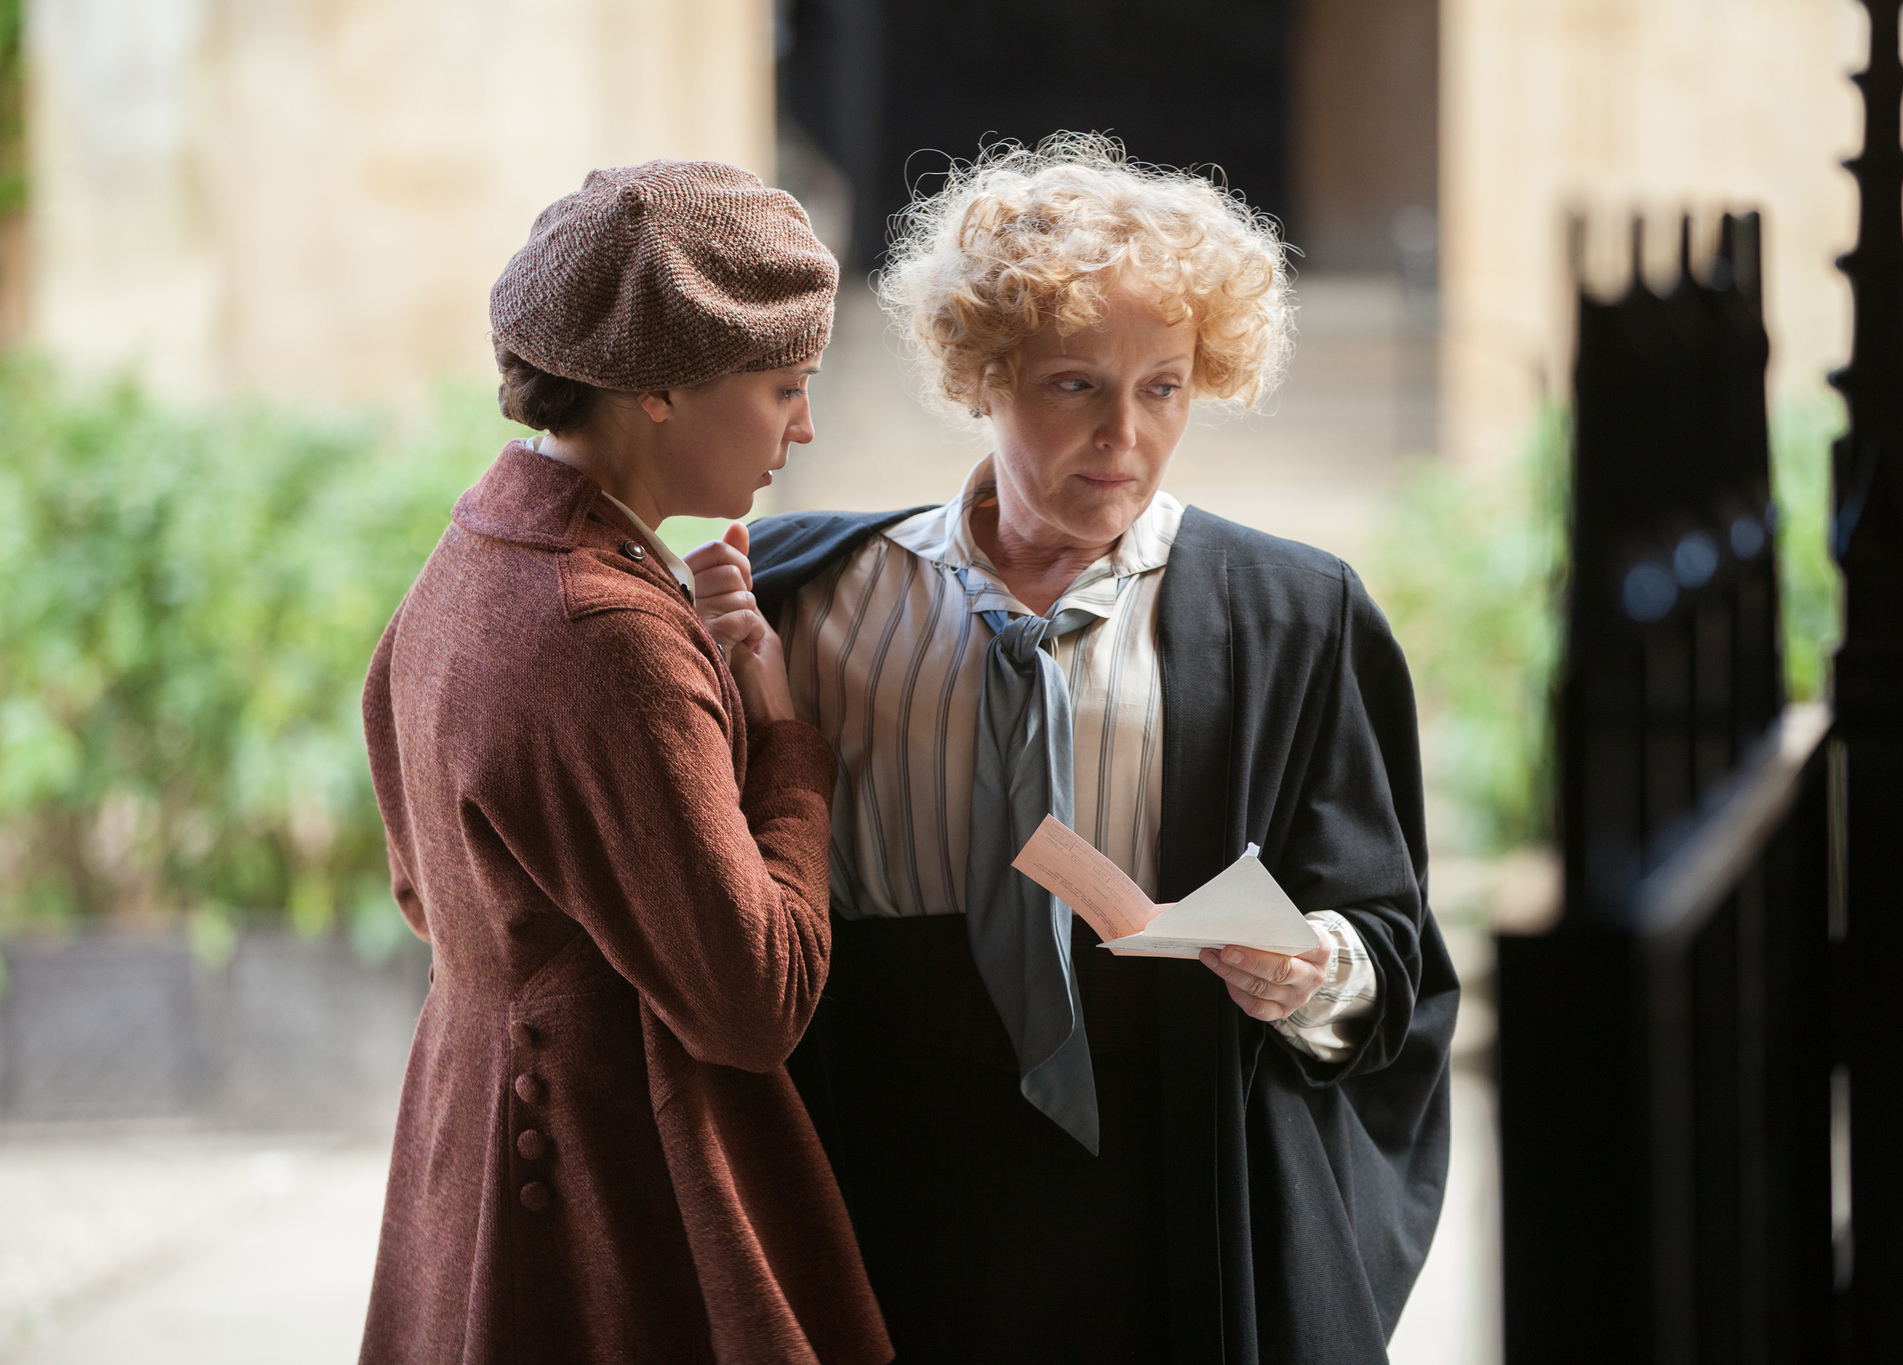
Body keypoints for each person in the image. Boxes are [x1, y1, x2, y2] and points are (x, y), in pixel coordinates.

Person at [688, 136, 1458, 1364]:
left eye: (1162, 387)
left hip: (1172, 1187)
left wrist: (1315, 970)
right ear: (981, 374)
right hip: (883, 1175)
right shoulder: (798, 602)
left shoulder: (1292, 618)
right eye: (1071, 385)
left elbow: (1387, 944)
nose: (1123, 436)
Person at [357, 161, 891, 1365]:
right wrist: (781, 740)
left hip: (470, 1139)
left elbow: (421, 885)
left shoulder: (476, 552)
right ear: (655, 386)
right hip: (601, 1197)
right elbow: (755, 1003)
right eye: (782, 387)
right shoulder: (602, 628)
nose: (802, 428)